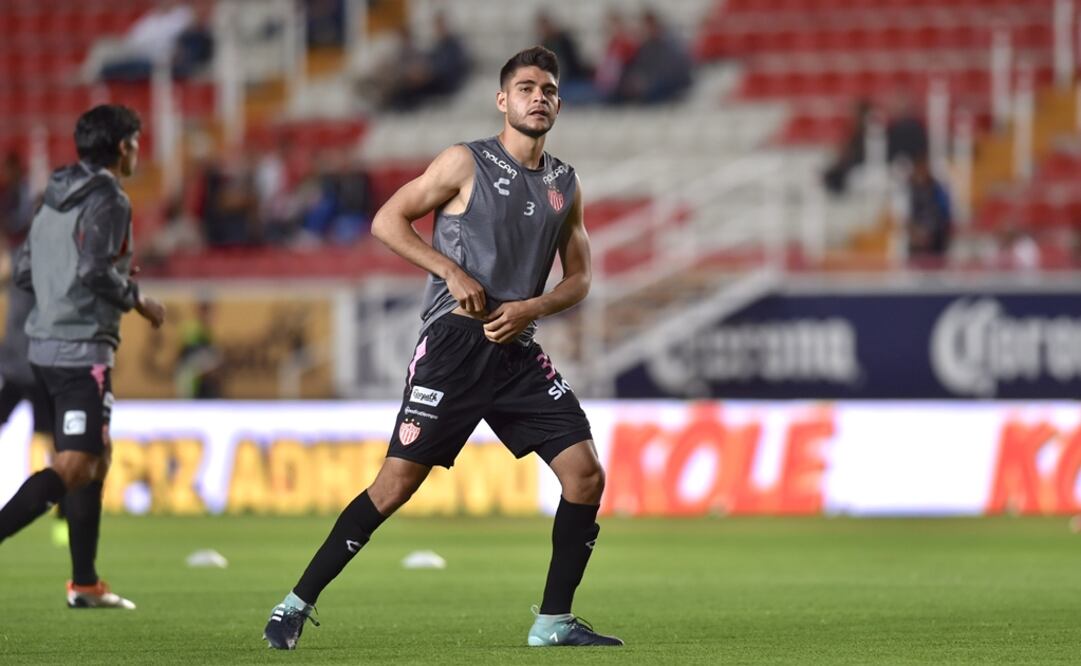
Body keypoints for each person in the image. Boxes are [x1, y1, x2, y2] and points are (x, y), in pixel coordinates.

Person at [262, 46, 622, 650]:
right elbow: (387, 221)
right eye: (527, 88)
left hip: (516, 346)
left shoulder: (565, 184)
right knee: (394, 486)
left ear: (559, 105)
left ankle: (553, 621)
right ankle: (294, 604)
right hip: (455, 344)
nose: (539, 98)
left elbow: (580, 278)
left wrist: (531, 308)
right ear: (502, 100)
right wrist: (450, 271)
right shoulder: (465, 161)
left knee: (585, 475)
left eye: (549, 91)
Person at [0, 105, 167, 609]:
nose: (137, 152)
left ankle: (86, 583)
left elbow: (24, 271)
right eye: (135, 143)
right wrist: (137, 298)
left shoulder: (50, 195)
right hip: (81, 350)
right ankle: (80, 580)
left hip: (44, 346)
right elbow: (94, 270)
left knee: (98, 455)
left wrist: (64, 288)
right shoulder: (110, 198)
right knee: (74, 465)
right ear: (122, 147)